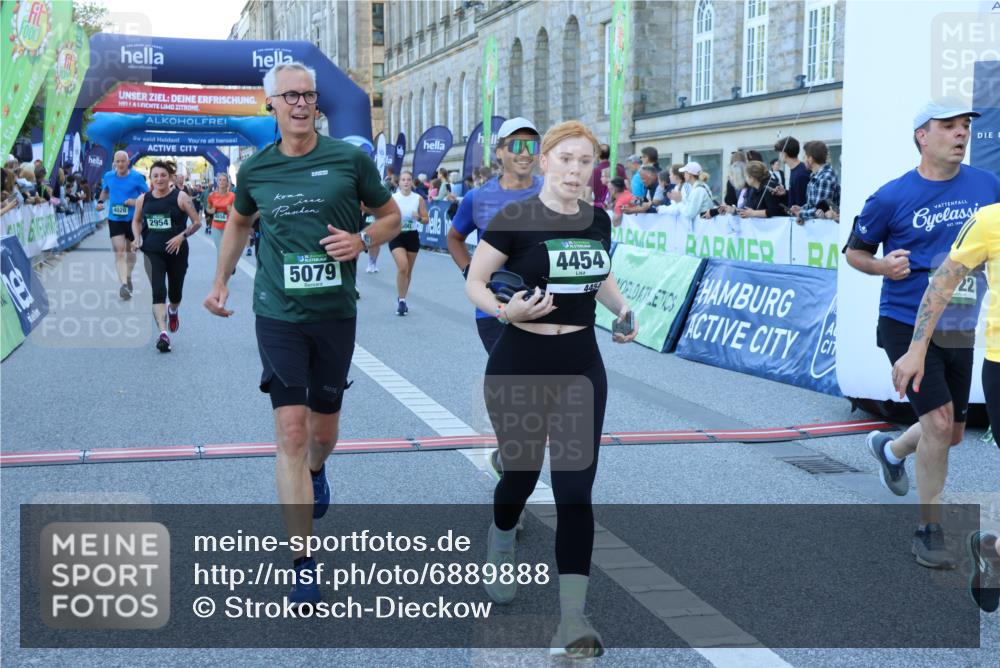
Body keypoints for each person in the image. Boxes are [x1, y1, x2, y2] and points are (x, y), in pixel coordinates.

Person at [203, 61, 400, 605]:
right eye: (289, 96)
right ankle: (303, 562)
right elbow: (239, 222)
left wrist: (362, 240)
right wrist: (220, 281)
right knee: (290, 431)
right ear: (272, 105)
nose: (300, 104)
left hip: (335, 312)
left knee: (323, 433)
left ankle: (318, 469)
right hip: (278, 312)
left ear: (317, 102)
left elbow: (392, 217)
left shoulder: (349, 159)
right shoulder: (256, 171)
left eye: (308, 95)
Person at [465, 120, 637, 658]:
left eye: (585, 162)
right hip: (520, 361)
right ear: (544, 162)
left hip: (582, 364)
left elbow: (601, 275)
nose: (575, 170)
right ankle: (501, 537)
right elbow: (475, 279)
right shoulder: (514, 218)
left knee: (575, 493)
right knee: (520, 474)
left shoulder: (598, 219)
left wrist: (623, 308)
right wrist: (503, 309)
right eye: (565, 159)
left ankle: (572, 618)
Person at [844, 100, 1000, 569]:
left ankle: (891, 449)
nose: (960, 134)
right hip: (903, 321)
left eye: (965, 127)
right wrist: (881, 265)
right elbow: (855, 253)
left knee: (950, 433)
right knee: (936, 424)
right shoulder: (891, 196)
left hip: (958, 322)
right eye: (948, 126)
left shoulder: (988, 186)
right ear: (921, 136)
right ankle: (928, 529)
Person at [890, 201, 1000, 612]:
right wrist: (917, 348)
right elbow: (943, 283)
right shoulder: (990, 220)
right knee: (943, 427)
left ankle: (993, 550)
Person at [448, 117, 543, 355]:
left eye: (530, 146)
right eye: (516, 146)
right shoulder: (478, 197)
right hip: (496, 308)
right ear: (499, 152)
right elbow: (454, 238)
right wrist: (470, 273)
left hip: (544, 305)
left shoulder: (551, 191)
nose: (525, 153)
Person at [130, 161, 201, 352]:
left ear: (170, 177)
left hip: (177, 252)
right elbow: (136, 221)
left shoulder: (181, 197)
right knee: (158, 290)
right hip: (152, 252)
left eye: (163, 175)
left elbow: (197, 222)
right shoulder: (143, 199)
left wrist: (181, 236)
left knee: (175, 294)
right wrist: (137, 238)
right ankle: (163, 334)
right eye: (155, 176)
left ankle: (173, 309)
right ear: (150, 179)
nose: (159, 179)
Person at [96, 150, 149, 300]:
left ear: (128, 162)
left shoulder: (136, 177)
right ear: (114, 163)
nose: (120, 164)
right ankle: (124, 284)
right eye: (117, 161)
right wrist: (101, 202)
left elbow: (148, 195)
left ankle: (128, 276)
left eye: (122, 161)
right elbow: (105, 191)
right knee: (119, 251)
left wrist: (135, 201)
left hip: (133, 220)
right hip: (115, 219)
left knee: (131, 251)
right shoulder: (108, 176)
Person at [389, 171, 429, 315]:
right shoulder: (393, 198)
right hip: (396, 235)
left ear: (411, 182)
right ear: (398, 183)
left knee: (408, 271)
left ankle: (403, 299)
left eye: (408, 180)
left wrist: (418, 217)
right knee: (402, 267)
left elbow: (426, 219)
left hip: (412, 235)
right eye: (403, 180)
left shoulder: (418, 198)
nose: (406, 182)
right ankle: (400, 301)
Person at [792, 140, 840, 223]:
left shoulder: (824, 177)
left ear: (810, 159)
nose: (802, 160)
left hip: (826, 230)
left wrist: (801, 213)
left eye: (804, 156)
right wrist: (802, 208)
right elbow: (813, 204)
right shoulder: (817, 176)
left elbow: (821, 210)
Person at [773, 136, 808, 207]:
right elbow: (796, 195)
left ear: (784, 154)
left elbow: (802, 204)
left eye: (780, 153)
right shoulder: (796, 169)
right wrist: (785, 193)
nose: (779, 156)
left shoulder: (801, 174)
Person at [206, 172, 235, 255]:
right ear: (217, 182)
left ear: (227, 183)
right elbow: (208, 208)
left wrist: (231, 210)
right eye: (220, 180)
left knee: (228, 250)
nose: (222, 182)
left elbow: (236, 211)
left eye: (224, 180)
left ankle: (231, 268)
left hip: (229, 226)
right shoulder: (212, 195)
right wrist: (210, 211)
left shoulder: (232, 196)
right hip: (216, 226)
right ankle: (222, 268)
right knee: (220, 249)